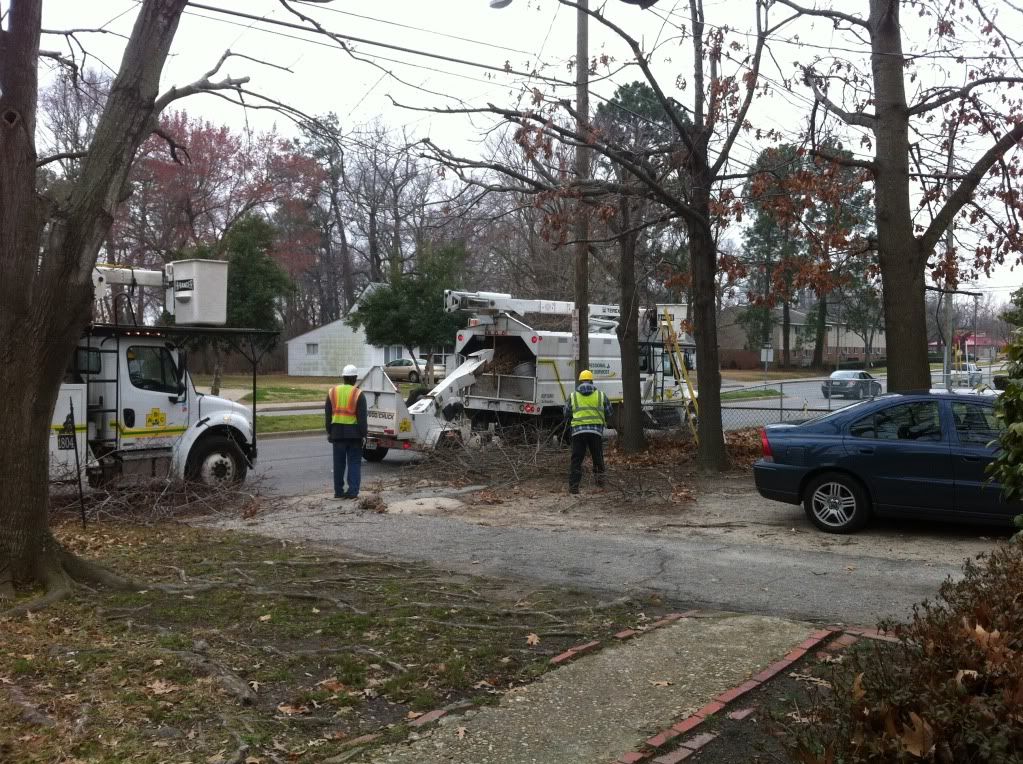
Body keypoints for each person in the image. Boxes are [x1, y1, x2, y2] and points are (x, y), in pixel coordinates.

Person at [564, 369, 613, 494]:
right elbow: (609, 412)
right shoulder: (601, 395)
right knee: (597, 457)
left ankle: (574, 487)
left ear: (580, 381)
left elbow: (566, 413)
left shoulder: (573, 396)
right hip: (595, 432)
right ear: (592, 380)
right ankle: (600, 483)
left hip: (578, 432)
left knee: (576, 459)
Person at [325, 364, 368, 499]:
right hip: (354, 435)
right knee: (354, 463)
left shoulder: (332, 392)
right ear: (355, 378)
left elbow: (328, 416)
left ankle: (338, 491)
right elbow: (362, 418)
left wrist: (329, 431)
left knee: (338, 464)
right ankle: (353, 491)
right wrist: (363, 434)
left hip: (337, 434)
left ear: (343, 377)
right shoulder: (358, 394)